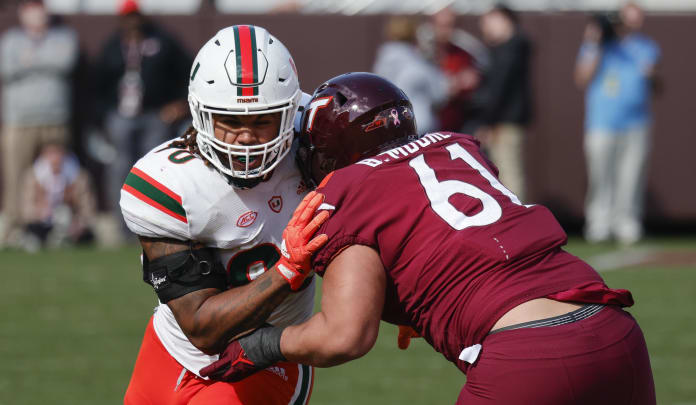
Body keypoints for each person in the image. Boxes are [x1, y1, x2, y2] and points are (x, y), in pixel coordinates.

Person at [200, 73, 656, 405]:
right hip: (615, 329)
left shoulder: (343, 188)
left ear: (324, 150)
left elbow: (345, 336)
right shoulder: (459, 147)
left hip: (526, 354)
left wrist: (261, 345)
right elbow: (473, 235)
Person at [119, 25, 327, 404]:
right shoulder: (170, 181)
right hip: (174, 346)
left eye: (262, 120)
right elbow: (202, 327)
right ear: (201, 114)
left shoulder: (321, 146)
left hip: (272, 354)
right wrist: (288, 270)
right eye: (230, 121)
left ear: (290, 112)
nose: (246, 137)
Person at [95, 0, 192, 238]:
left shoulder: (162, 41)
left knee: (157, 169)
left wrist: (179, 104)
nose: (132, 21)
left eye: (135, 16)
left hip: (154, 114)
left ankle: (155, 227)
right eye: (127, 16)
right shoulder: (113, 46)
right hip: (121, 116)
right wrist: (106, 114)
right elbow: (98, 85)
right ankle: (124, 229)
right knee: (120, 168)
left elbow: (188, 71)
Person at [574, 2, 660, 245]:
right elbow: (582, 78)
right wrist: (594, 42)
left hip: (636, 122)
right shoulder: (599, 46)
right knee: (601, 176)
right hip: (602, 122)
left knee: (631, 176)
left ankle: (627, 224)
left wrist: (652, 75)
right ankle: (599, 224)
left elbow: (657, 85)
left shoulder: (646, 46)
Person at [0, 0, 78, 248]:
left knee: (60, 178)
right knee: (16, 179)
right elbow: (7, 69)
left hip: (55, 119)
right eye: (31, 8)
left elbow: (65, 63)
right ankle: (13, 232)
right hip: (18, 121)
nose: (37, 13)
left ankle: (60, 232)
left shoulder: (64, 36)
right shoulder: (9, 40)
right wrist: (44, 62)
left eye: (40, 7)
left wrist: (31, 61)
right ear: (23, 13)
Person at [471, 5, 531, 201]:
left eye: (488, 22)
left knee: (508, 174)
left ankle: (518, 221)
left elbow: (499, 89)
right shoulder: (508, 49)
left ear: (503, 19)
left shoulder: (511, 49)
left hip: (504, 121)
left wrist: (488, 121)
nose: (485, 29)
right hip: (504, 119)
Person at [372, 16, 451, 134]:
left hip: (390, 127)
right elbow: (440, 94)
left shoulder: (382, 62)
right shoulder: (418, 62)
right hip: (419, 125)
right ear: (413, 34)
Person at [419, 7, 487, 133]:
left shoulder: (462, 54)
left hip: (457, 124)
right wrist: (450, 85)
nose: (446, 30)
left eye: (451, 25)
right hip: (429, 126)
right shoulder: (421, 54)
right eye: (442, 25)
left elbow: (475, 83)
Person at [20, 142, 97, 251]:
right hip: (42, 223)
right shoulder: (33, 177)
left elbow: (88, 208)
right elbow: (26, 209)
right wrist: (39, 213)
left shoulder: (79, 177)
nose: (55, 158)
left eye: (58, 154)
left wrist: (79, 223)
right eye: (50, 154)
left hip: (70, 224)